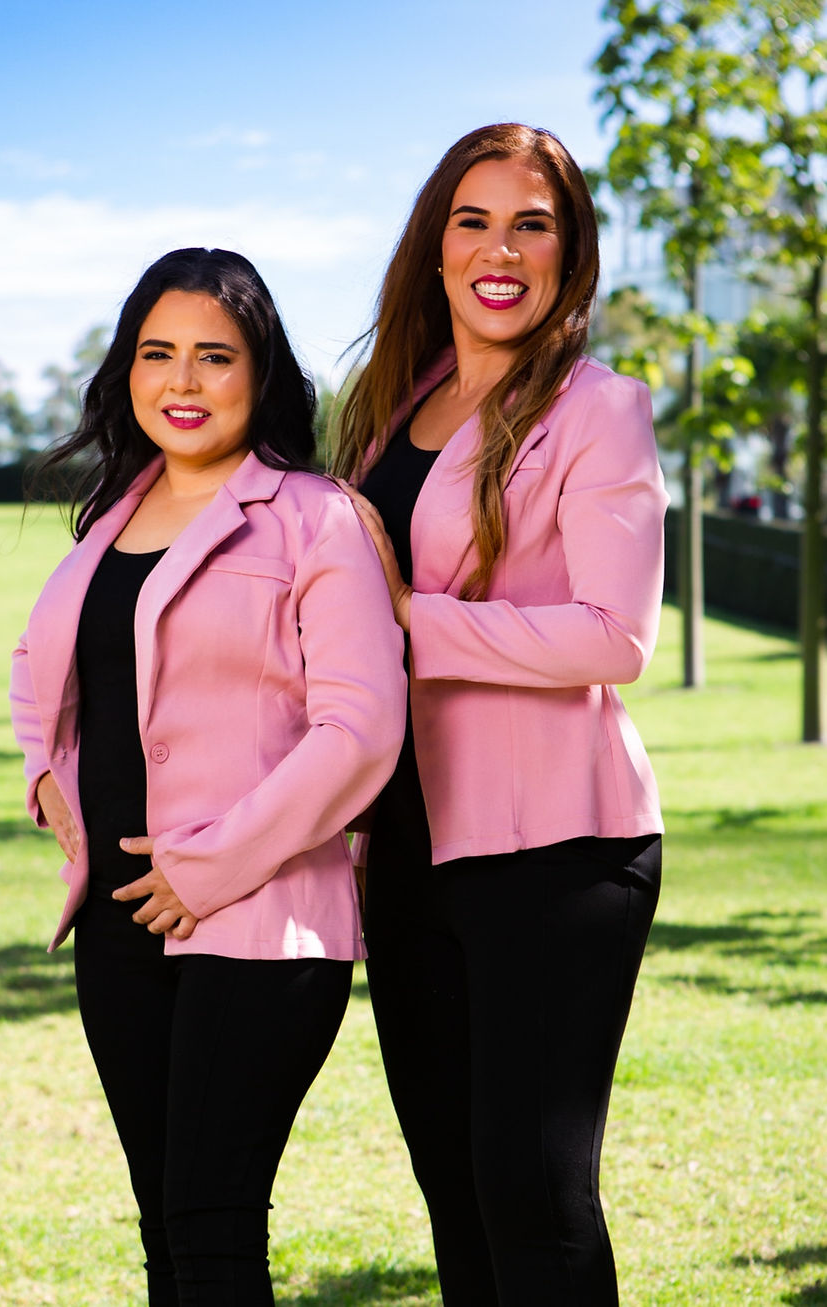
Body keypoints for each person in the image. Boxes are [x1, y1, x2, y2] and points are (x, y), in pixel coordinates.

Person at [10, 247, 406, 1305]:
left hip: (260, 920)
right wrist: (45, 773)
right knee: (165, 1234)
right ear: (125, 371)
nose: (181, 382)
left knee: (212, 1227)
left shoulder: (315, 517)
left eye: (213, 356)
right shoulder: (108, 518)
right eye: (157, 353)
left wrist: (209, 865)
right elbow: (41, 661)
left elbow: (361, 726)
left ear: (260, 374)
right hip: (118, 927)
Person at [334, 124, 668, 1307]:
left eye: (533, 223)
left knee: (531, 1189)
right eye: (472, 220)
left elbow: (612, 634)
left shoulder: (599, 408)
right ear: (432, 248)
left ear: (570, 253)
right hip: (407, 844)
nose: (499, 248)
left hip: (557, 846)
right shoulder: (390, 405)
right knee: (455, 1190)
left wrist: (411, 616)